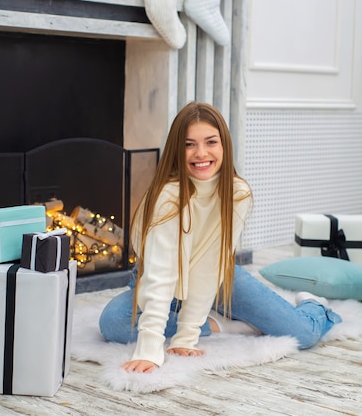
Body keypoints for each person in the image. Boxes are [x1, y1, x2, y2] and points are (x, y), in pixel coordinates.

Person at [99, 101, 341, 373]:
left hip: (219, 277)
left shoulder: (237, 193)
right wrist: (150, 349)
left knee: (305, 334)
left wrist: (188, 334)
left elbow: (209, 265)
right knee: (113, 323)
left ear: (224, 144)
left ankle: (314, 305)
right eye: (189, 144)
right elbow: (161, 273)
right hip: (161, 281)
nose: (201, 153)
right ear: (177, 151)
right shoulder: (168, 198)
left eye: (211, 142)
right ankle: (222, 324)